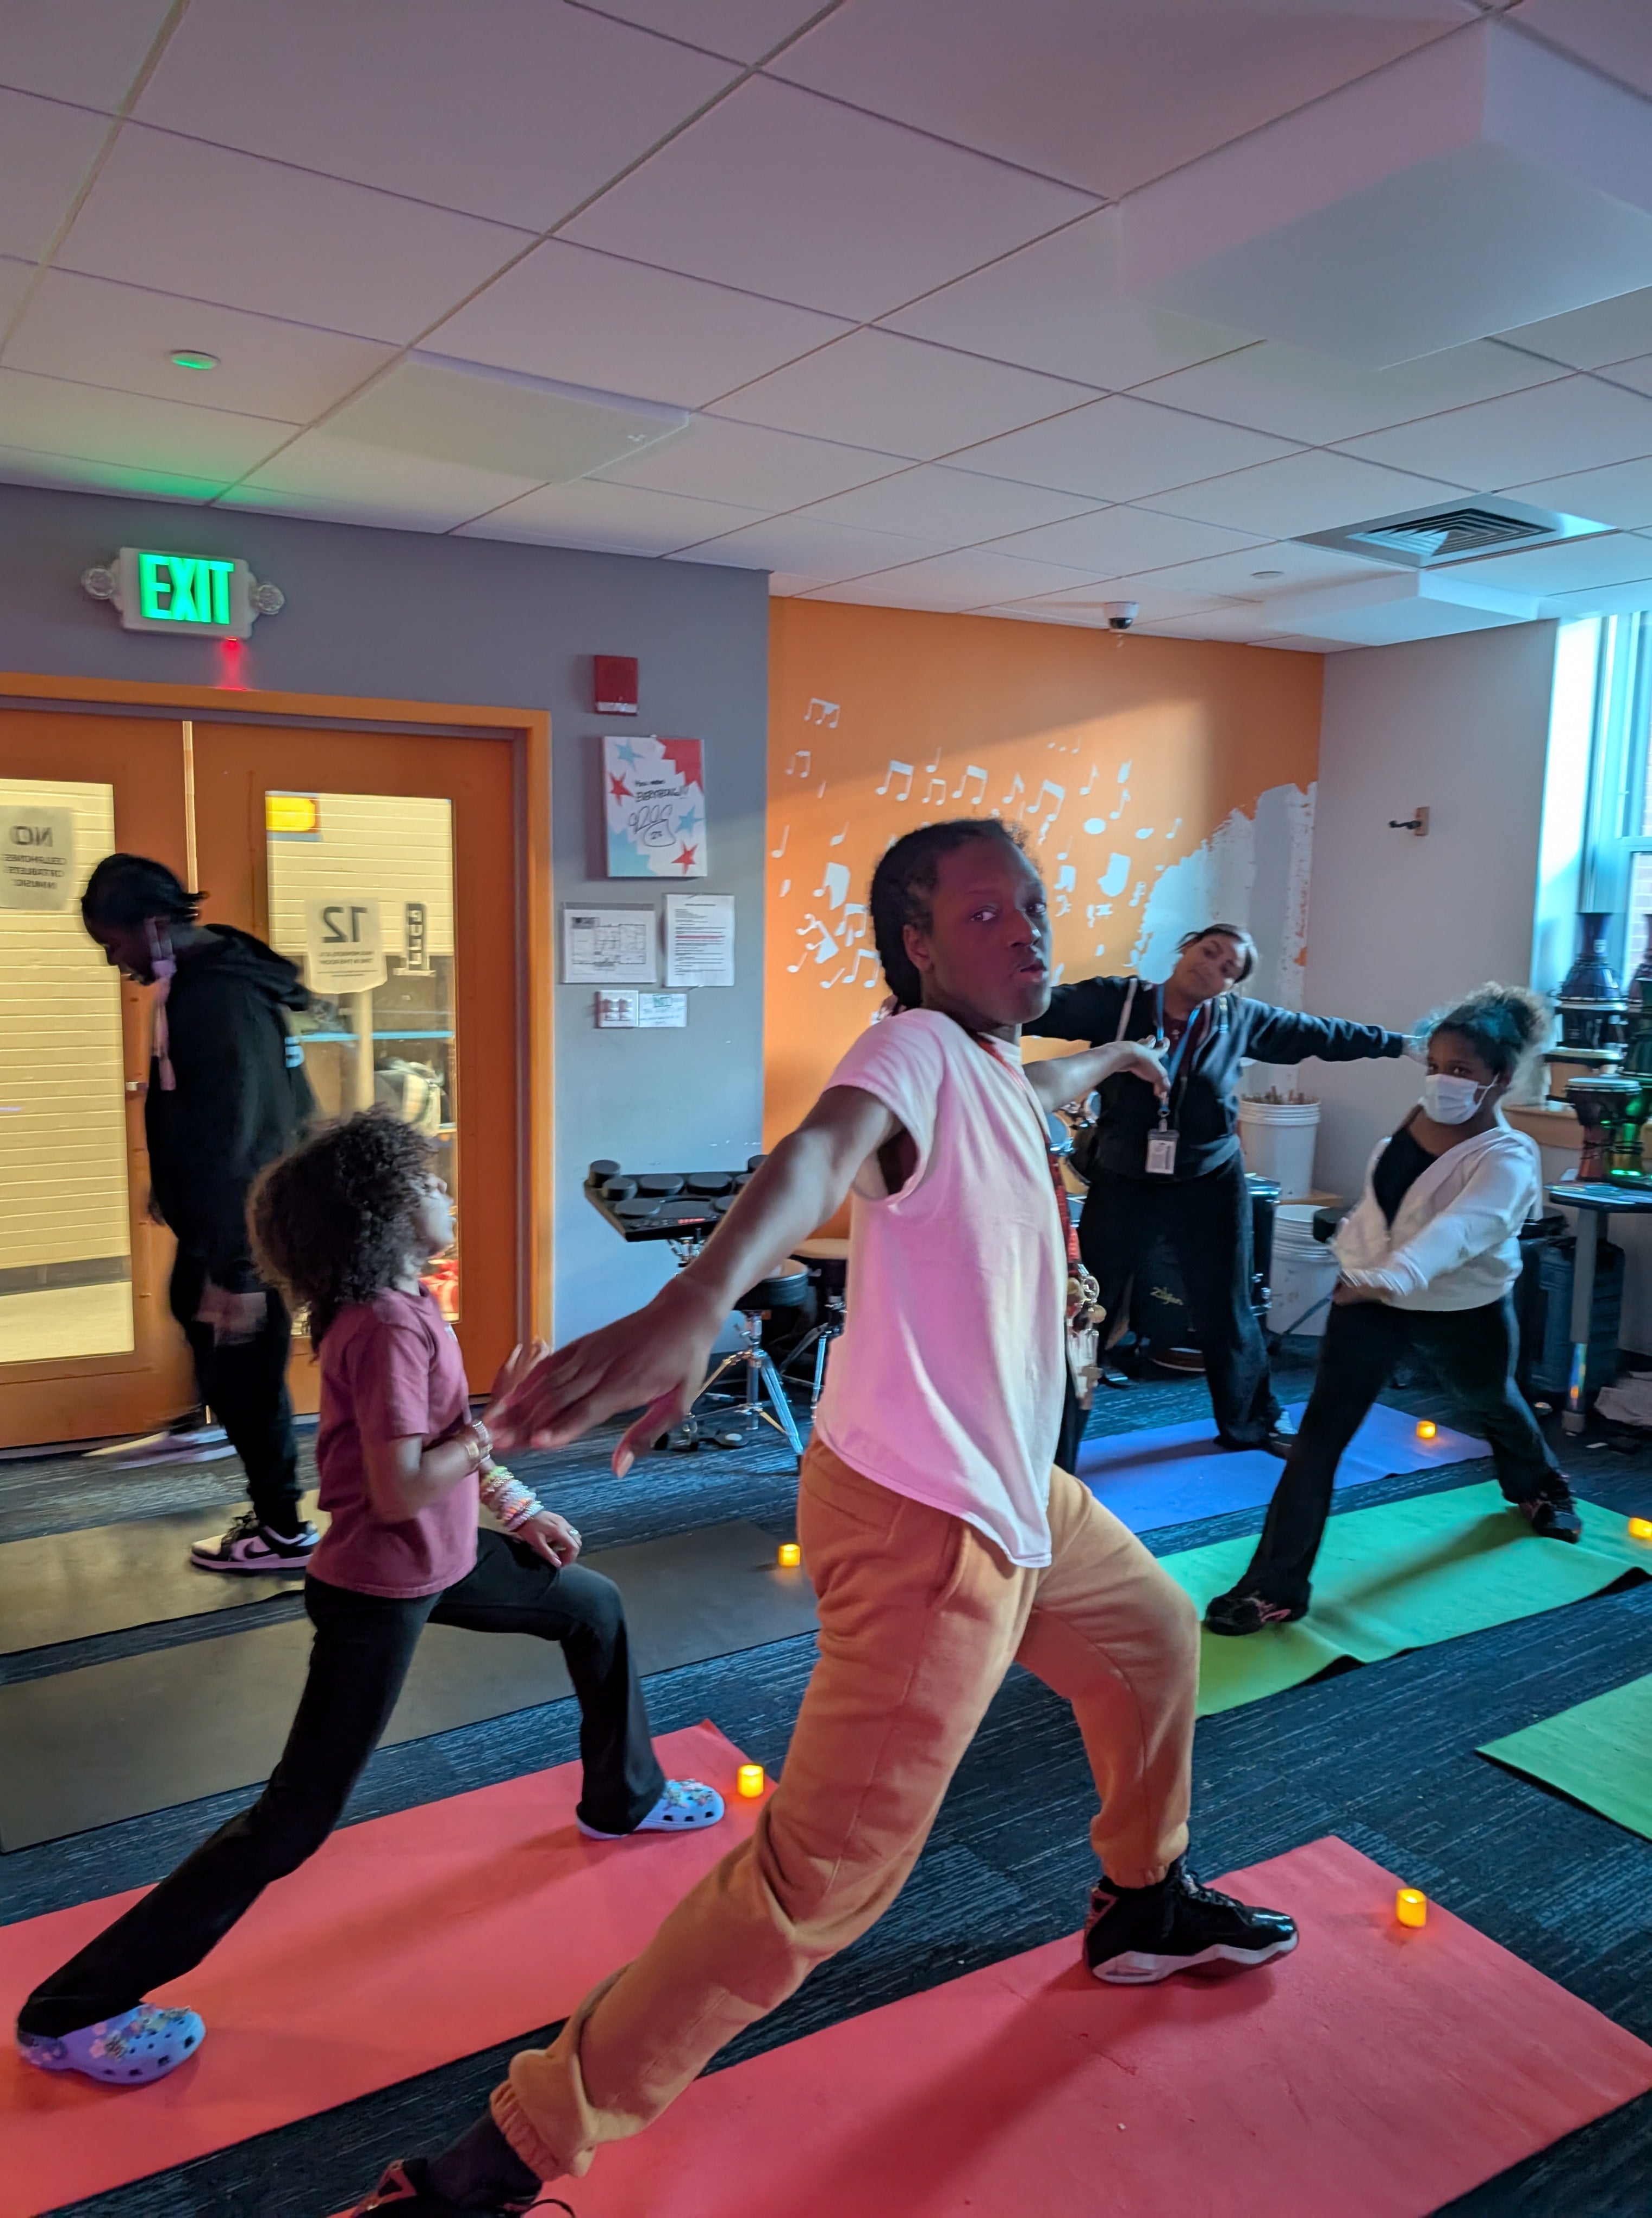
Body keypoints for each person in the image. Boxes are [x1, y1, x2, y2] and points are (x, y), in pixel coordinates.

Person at [338, 819, 1298, 2218]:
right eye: (984, 913)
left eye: (1030, 906)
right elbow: (813, 1151)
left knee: (1151, 1633)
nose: (1025, 931)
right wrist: (696, 1298)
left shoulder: (987, 1062)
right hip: (927, 1520)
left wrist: (1109, 1059)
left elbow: (1034, 1075)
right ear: (915, 944)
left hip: (1015, 1488)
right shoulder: (904, 1052)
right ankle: (493, 2164)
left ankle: (1141, 1900)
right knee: (820, 1880)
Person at [16, 1111, 724, 2088]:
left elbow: (436, 1444)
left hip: (436, 1561)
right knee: (292, 1823)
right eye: (429, 1184)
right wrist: (502, 1434)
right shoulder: (389, 1325)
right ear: (385, 1213)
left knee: (590, 1605)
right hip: (379, 1591)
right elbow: (398, 1487)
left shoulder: (401, 1306)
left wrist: (518, 1506)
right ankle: (70, 2012)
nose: (446, 1196)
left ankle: (623, 1798)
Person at [1205, 986, 1580, 1636]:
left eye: (1461, 1071)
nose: (1443, 1082)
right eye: (1435, 1066)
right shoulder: (1418, 1117)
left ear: (1502, 1078)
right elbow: (1390, 1205)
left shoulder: (1509, 1157)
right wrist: (1360, 1257)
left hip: (1462, 1309)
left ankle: (1540, 1486)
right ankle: (1274, 1587)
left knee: (1494, 1400)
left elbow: (1459, 1231)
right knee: (1318, 1441)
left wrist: (1387, 1278)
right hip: (1371, 1301)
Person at [1028, 925, 1406, 1457]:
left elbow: (1322, 1034)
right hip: (1125, 1178)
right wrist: (934, 1007)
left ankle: (1250, 1422)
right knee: (1091, 1309)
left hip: (1210, 1178)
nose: (1214, 967)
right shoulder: (1119, 1003)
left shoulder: (1239, 1021)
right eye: (1210, 952)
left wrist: (1400, 1045)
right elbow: (1035, 1006)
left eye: (1230, 967)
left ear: (1233, 985)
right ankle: (1053, 1441)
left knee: (1228, 1304)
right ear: (1186, 949)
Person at [81, 854, 319, 1573]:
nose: (113, 961)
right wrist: (171, 1183)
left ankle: (283, 1531)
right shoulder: (202, 982)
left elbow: (244, 1137)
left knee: (246, 1363)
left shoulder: (213, 1001)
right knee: (195, 1311)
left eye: (112, 944)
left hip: (250, 1225)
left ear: (152, 926)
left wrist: (239, 1273)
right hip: (233, 1217)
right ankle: (205, 1421)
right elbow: (214, 1112)